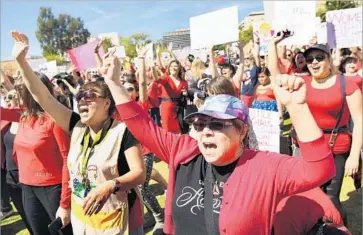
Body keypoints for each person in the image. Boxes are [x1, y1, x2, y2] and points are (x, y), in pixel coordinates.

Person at [104, 50, 335, 235]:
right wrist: (114, 84)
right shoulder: (184, 151)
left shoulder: (265, 167)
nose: (205, 131)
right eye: (199, 124)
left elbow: (320, 169)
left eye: (217, 125)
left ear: (242, 130)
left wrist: (297, 107)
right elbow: (142, 124)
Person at [10, 31, 145, 235]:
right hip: (85, 221)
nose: (82, 99)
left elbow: (139, 174)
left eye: (90, 95)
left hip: (119, 219)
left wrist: (111, 185)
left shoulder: (122, 131)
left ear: (107, 103)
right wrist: (21, 61)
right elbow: (43, 97)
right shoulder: (76, 126)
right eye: (80, 95)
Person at [268, 32, 363, 225]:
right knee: (308, 194)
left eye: (319, 57)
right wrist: (273, 43)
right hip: (307, 149)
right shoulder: (302, 82)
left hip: (337, 148)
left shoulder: (347, 83)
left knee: (330, 197)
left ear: (329, 59)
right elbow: (275, 74)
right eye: (310, 59)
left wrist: (354, 156)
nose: (314, 62)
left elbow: (360, 120)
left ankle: (338, 228)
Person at [0, 87, 33, 233]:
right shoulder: (6, 120)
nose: (7, 100)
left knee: (36, 216)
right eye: (6, 97)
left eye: (11, 97)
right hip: (10, 177)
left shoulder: (27, 118)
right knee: (26, 217)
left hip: (28, 177)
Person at [154, 59, 188, 134]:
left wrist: (185, 93)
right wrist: (153, 68)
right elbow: (156, 79)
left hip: (178, 107)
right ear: (169, 68)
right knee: (167, 129)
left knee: (179, 128)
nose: (173, 68)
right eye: (171, 66)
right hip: (166, 106)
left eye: (175, 66)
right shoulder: (166, 78)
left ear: (179, 68)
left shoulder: (183, 82)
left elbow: (186, 93)